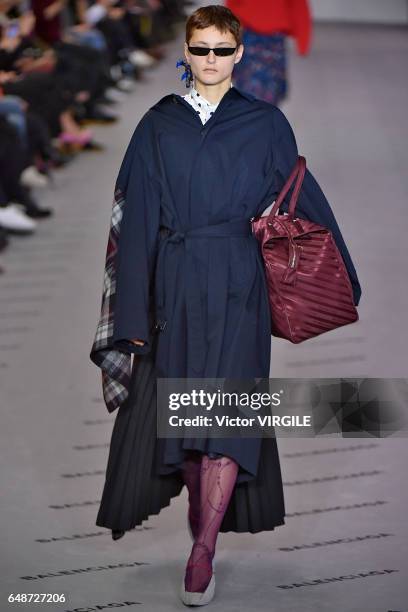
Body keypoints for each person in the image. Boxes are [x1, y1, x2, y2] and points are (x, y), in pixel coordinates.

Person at [89, 5, 361, 607]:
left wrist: (332, 277)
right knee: (184, 423)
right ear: (185, 53)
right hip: (176, 283)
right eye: (199, 48)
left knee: (225, 421)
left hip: (240, 282)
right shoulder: (158, 124)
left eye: (221, 49)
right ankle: (200, 514)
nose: (210, 60)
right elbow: (133, 222)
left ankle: (203, 549)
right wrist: (130, 313)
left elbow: (297, 202)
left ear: (239, 55)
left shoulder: (265, 123)